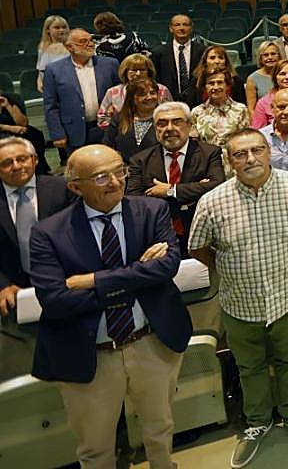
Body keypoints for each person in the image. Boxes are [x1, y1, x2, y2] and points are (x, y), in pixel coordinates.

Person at [27, 143, 191, 469]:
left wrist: (92, 281)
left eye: (120, 172)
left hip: (150, 342)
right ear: (75, 186)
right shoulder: (49, 233)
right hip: (91, 353)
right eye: (102, 177)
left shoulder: (151, 211)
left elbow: (166, 267)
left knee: (160, 429)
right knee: (96, 447)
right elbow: (56, 301)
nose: (116, 182)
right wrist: (134, 278)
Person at [189, 128, 288, 466]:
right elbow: (198, 246)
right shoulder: (212, 202)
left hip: (286, 298)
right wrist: (229, 266)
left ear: (268, 151)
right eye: (240, 154)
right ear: (228, 160)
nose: (250, 159)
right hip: (239, 303)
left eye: (256, 150)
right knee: (250, 367)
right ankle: (258, 421)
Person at [126, 102, 224, 240]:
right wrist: (194, 192)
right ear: (155, 129)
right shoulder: (140, 160)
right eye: (162, 123)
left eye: (177, 122)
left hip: (202, 230)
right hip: (158, 233)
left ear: (189, 126)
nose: (169, 128)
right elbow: (134, 200)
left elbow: (216, 186)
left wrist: (170, 191)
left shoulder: (209, 153)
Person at [0, 137, 71, 318]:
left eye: (22, 159)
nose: (16, 166)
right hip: (13, 294)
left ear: (35, 159)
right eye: (7, 163)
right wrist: (2, 284)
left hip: (66, 283)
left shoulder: (62, 188)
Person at [44, 29, 121, 156]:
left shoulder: (110, 64)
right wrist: (57, 133)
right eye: (83, 41)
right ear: (70, 47)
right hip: (73, 131)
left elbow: (120, 94)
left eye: (91, 40)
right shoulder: (54, 70)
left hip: (107, 127)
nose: (90, 44)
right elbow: (50, 105)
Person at [97, 54, 171, 129]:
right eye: (134, 70)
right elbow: (102, 118)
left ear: (149, 71)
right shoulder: (113, 92)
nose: (138, 74)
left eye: (142, 70)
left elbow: (172, 114)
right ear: (125, 72)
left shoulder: (162, 90)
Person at [190, 69, 250, 162]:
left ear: (227, 85)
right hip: (207, 164)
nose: (215, 87)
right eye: (211, 83)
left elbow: (246, 141)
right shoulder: (196, 112)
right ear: (205, 87)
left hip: (235, 164)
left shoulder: (240, 110)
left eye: (220, 82)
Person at [101, 78, 163, 163]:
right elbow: (107, 147)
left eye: (152, 93)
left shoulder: (165, 120)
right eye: (142, 94)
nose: (149, 97)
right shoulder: (118, 119)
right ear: (132, 98)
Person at [250, 60, 288, 129]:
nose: (287, 77)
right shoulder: (263, 103)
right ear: (275, 77)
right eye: (282, 74)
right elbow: (258, 131)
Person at [244, 40, 281, 114]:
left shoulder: (286, 74)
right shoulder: (252, 79)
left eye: (273, 54)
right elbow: (251, 110)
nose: (270, 57)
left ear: (279, 56)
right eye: (266, 55)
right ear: (260, 58)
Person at [35, 14, 70, 93]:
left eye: (64, 27)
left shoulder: (71, 46)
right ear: (48, 30)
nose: (62, 30)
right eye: (57, 28)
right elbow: (40, 69)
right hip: (49, 88)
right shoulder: (42, 47)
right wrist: (39, 82)